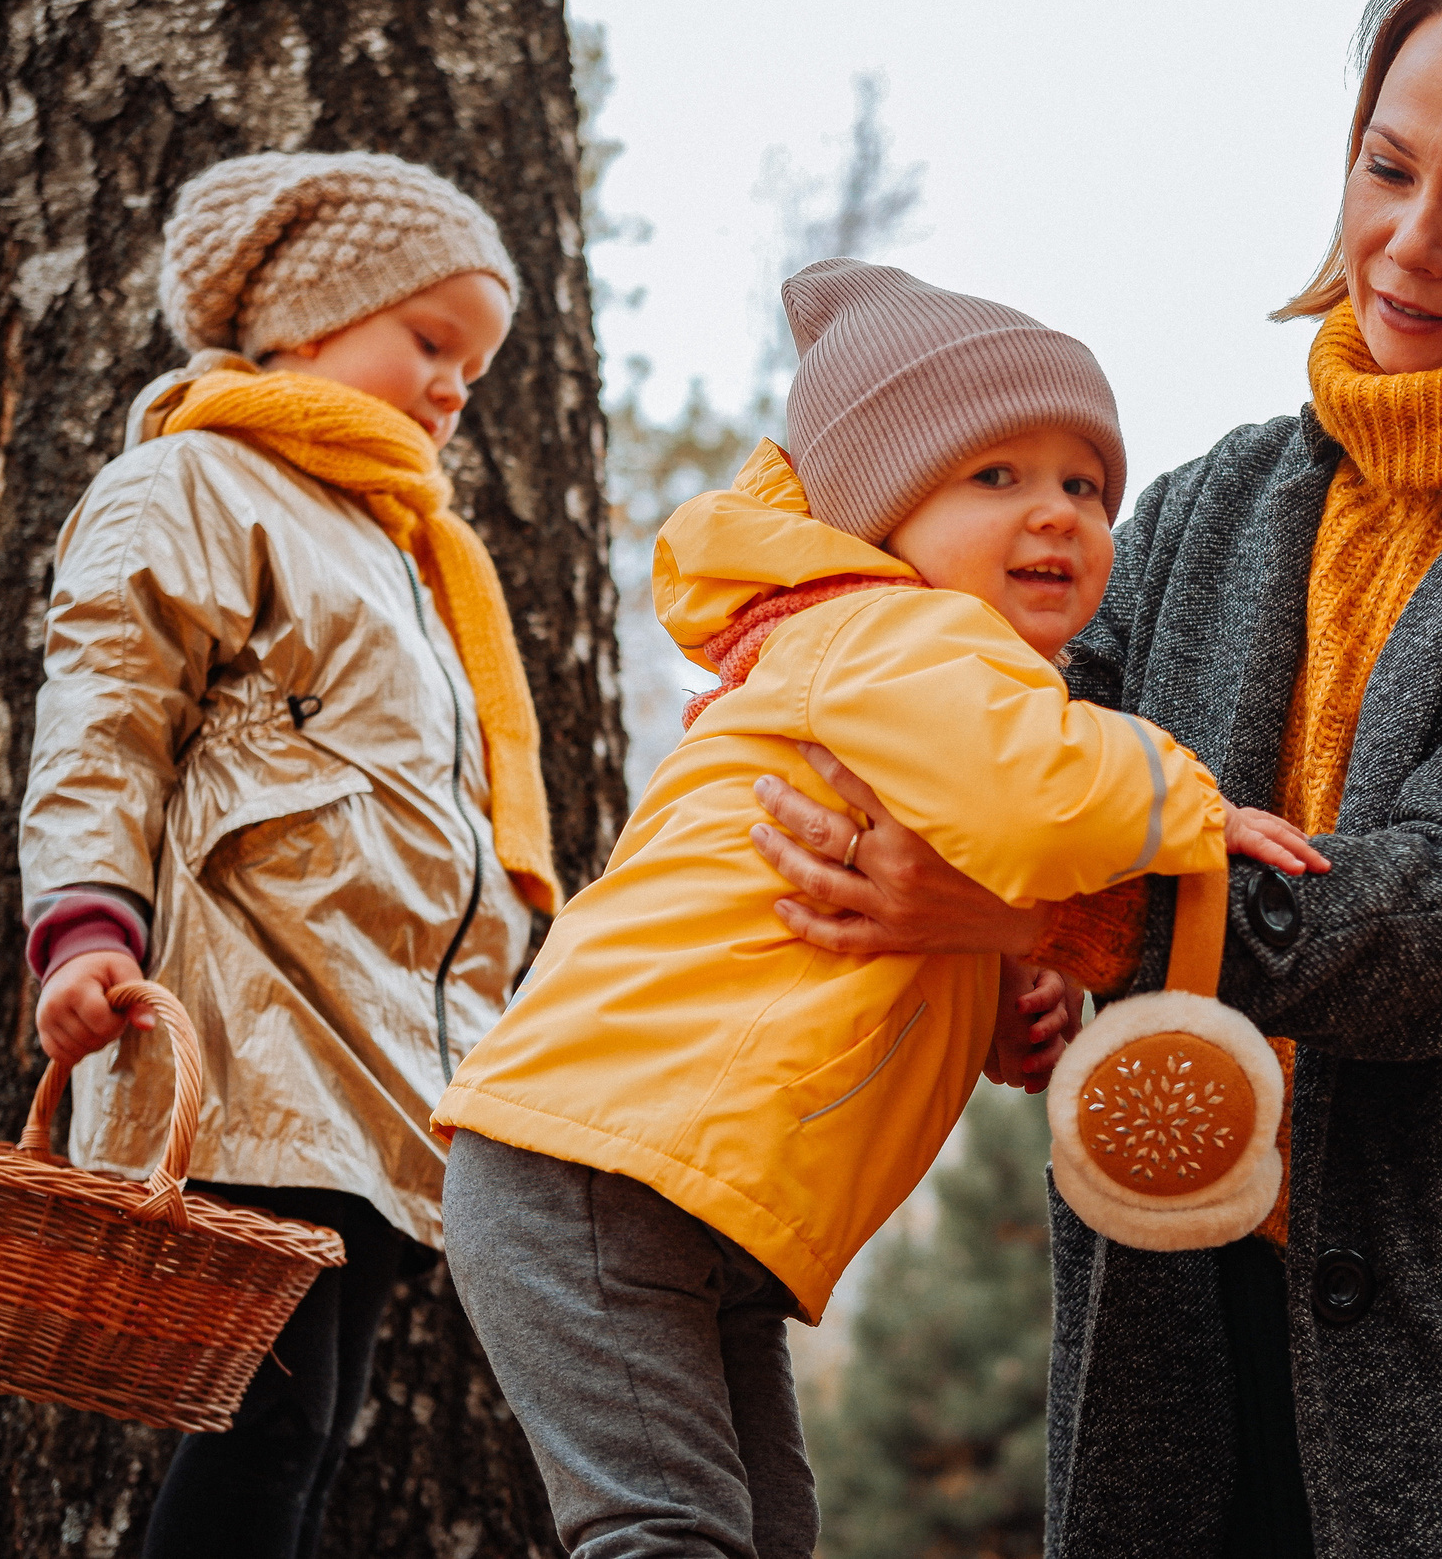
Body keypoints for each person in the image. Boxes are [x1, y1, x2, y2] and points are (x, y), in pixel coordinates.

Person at [747, 0, 1442, 1555]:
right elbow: (1004, 757)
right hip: (1194, 1379)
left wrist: (1051, 916)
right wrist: (987, 959)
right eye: (1387, 168)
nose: (1407, 243)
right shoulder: (1209, 511)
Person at [435, 259, 1323, 1559]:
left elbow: (853, 936)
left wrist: (999, 1010)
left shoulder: (898, 672)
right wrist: (1189, 795)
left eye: (1085, 485)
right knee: (664, 1532)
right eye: (996, 478)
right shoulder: (901, 638)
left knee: (759, 1533)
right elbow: (1038, 799)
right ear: (883, 513)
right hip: (602, 1163)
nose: (1059, 516)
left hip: (694, 1195)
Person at [20, 151, 559, 1558]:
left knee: (309, 1440)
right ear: (312, 322)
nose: (455, 386)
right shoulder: (198, 481)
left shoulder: (411, 550)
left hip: (387, 1062)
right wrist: (87, 924)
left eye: (478, 365)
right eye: (430, 342)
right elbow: (107, 717)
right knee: (264, 1437)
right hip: (252, 1028)